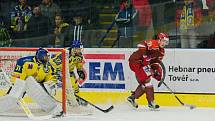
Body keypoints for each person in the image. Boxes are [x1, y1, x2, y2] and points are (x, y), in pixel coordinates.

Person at [0, 48, 63, 117]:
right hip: (23, 82)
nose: (48, 58)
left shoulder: (48, 66)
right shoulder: (25, 62)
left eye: (48, 56)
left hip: (38, 85)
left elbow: (51, 78)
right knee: (13, 99)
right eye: (46, 56)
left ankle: (53, 109)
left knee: (44, 94)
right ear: (41, 56)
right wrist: (16, 89)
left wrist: (51, 85)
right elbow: (17, 78)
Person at [127, 33, 169, 109]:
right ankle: (151, 103)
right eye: (163, 41)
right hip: (136, 61)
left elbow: (155, 63)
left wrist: (157, 72)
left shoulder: (161, 52)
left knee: (145, 83)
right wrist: (145, 55)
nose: (164, 43)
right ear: (158, 40)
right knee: (148, 80)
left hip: (142, 65)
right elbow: (140, 45)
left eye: (166, 42)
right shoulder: (153, 43)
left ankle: (132, 98)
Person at [50, 40, 87, 106]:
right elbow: (52, 64)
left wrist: (81, 75)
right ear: (74, 49)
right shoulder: (64, 54)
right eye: (79, 49)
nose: (80, 50)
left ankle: (76, 100)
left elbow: (79, 67)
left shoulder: (79, 57)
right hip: (57, 72)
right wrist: (58, 73)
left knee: (75, 86)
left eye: (80, 49)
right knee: (52, 88)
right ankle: (50, 102)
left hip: (69, 73)